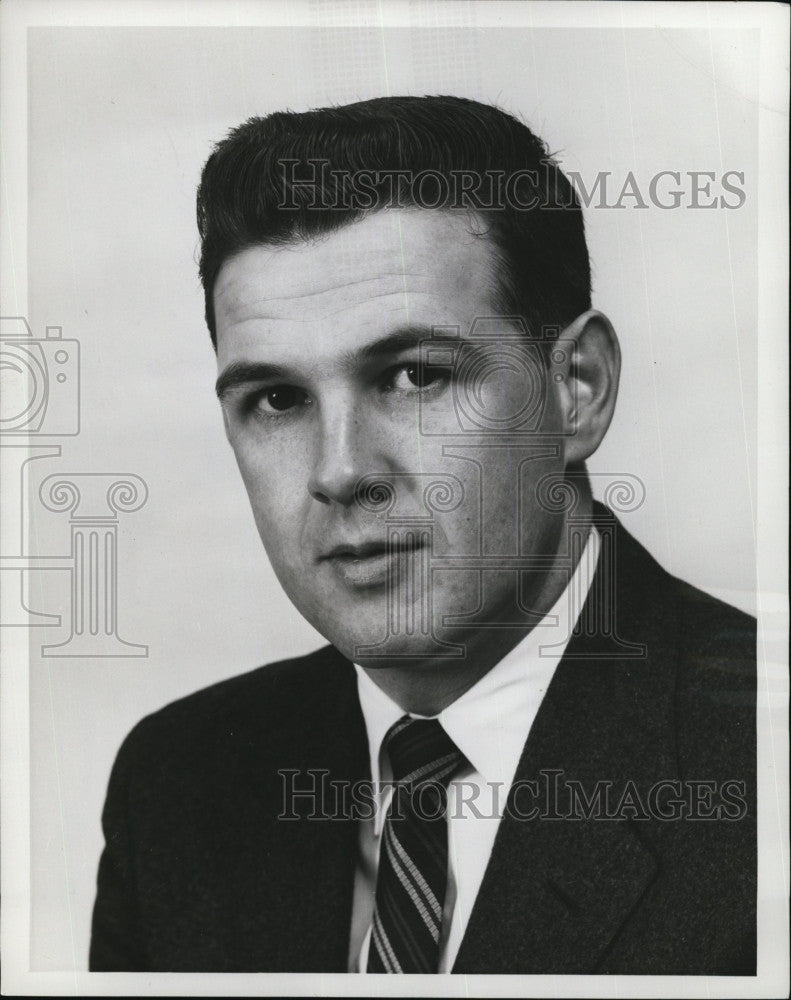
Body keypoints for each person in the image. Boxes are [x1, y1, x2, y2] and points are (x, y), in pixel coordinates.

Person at [89, 96, 756, 974]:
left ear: (578, 389)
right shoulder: (177, 784)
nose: (339, 471)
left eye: (414, 376)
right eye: (278, 400)